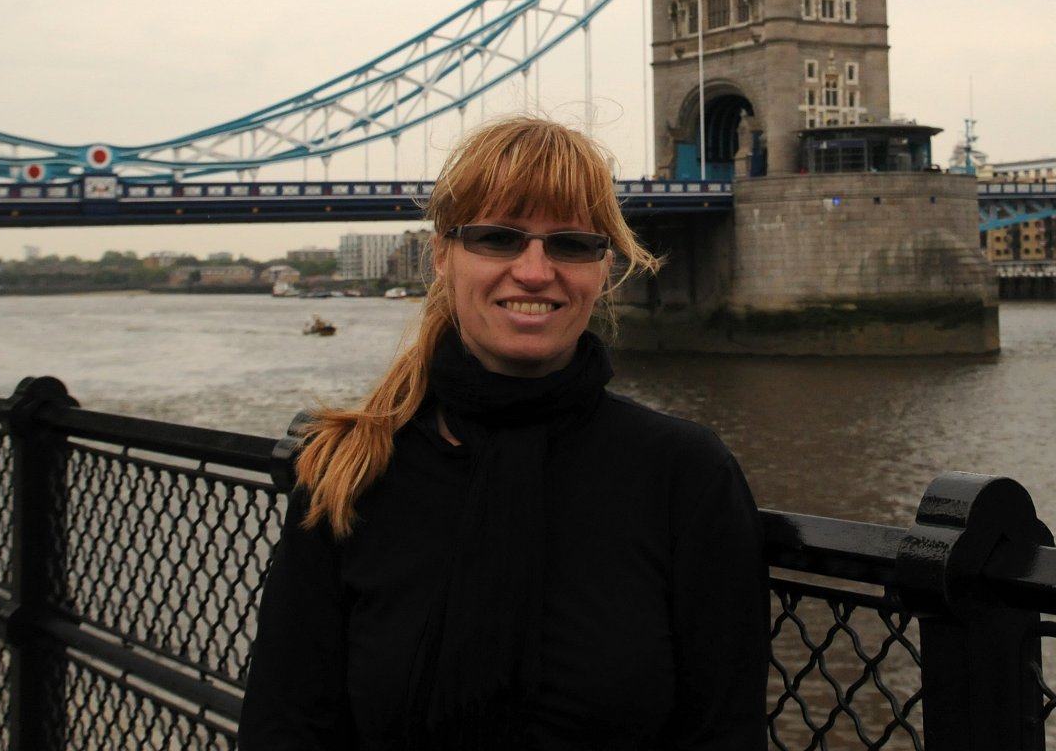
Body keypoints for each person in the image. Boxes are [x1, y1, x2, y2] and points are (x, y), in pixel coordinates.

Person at [239, 116, 770, 750]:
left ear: (604, 265)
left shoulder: (685, 476)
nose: (535, 271)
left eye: (572, 244)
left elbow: (724, 733)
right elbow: (286, 727)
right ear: (442, 256)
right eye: (498, 238)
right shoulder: (349, 473)